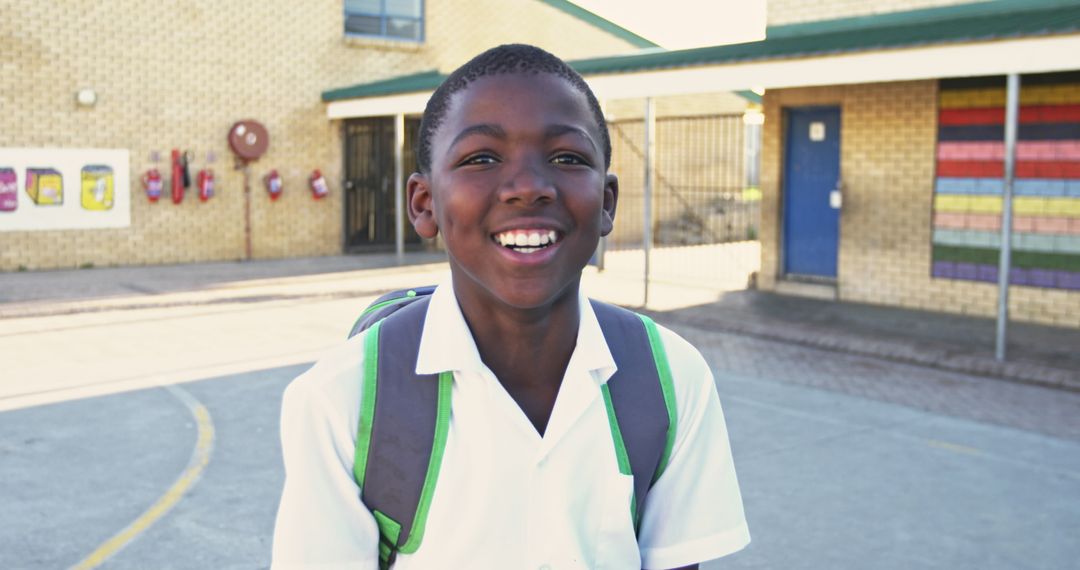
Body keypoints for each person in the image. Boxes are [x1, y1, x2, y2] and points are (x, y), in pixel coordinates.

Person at [271, 44, 749, 569]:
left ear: (607, 202)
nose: (528, 188)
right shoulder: (340, 399)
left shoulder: (670, 379)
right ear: (424, 204)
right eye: (482, 158)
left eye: (568, 158)